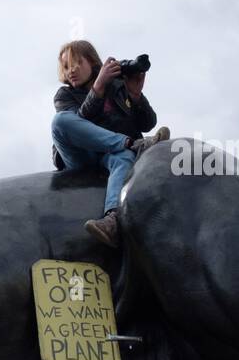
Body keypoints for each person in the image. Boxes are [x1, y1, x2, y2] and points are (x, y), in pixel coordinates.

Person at [51, 40, 170, 248]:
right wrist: (97, 88)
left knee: (123, 156)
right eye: (66, 67)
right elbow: (78, 124)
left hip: (113, 156)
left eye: (76, 63)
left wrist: (135, 96)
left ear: (92, 61)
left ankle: (112, 221)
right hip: (82, 156)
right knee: (60, 121)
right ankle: (133, 144)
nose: (71, 71)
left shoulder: (117, 86)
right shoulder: (65, 94)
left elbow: (149, 122)